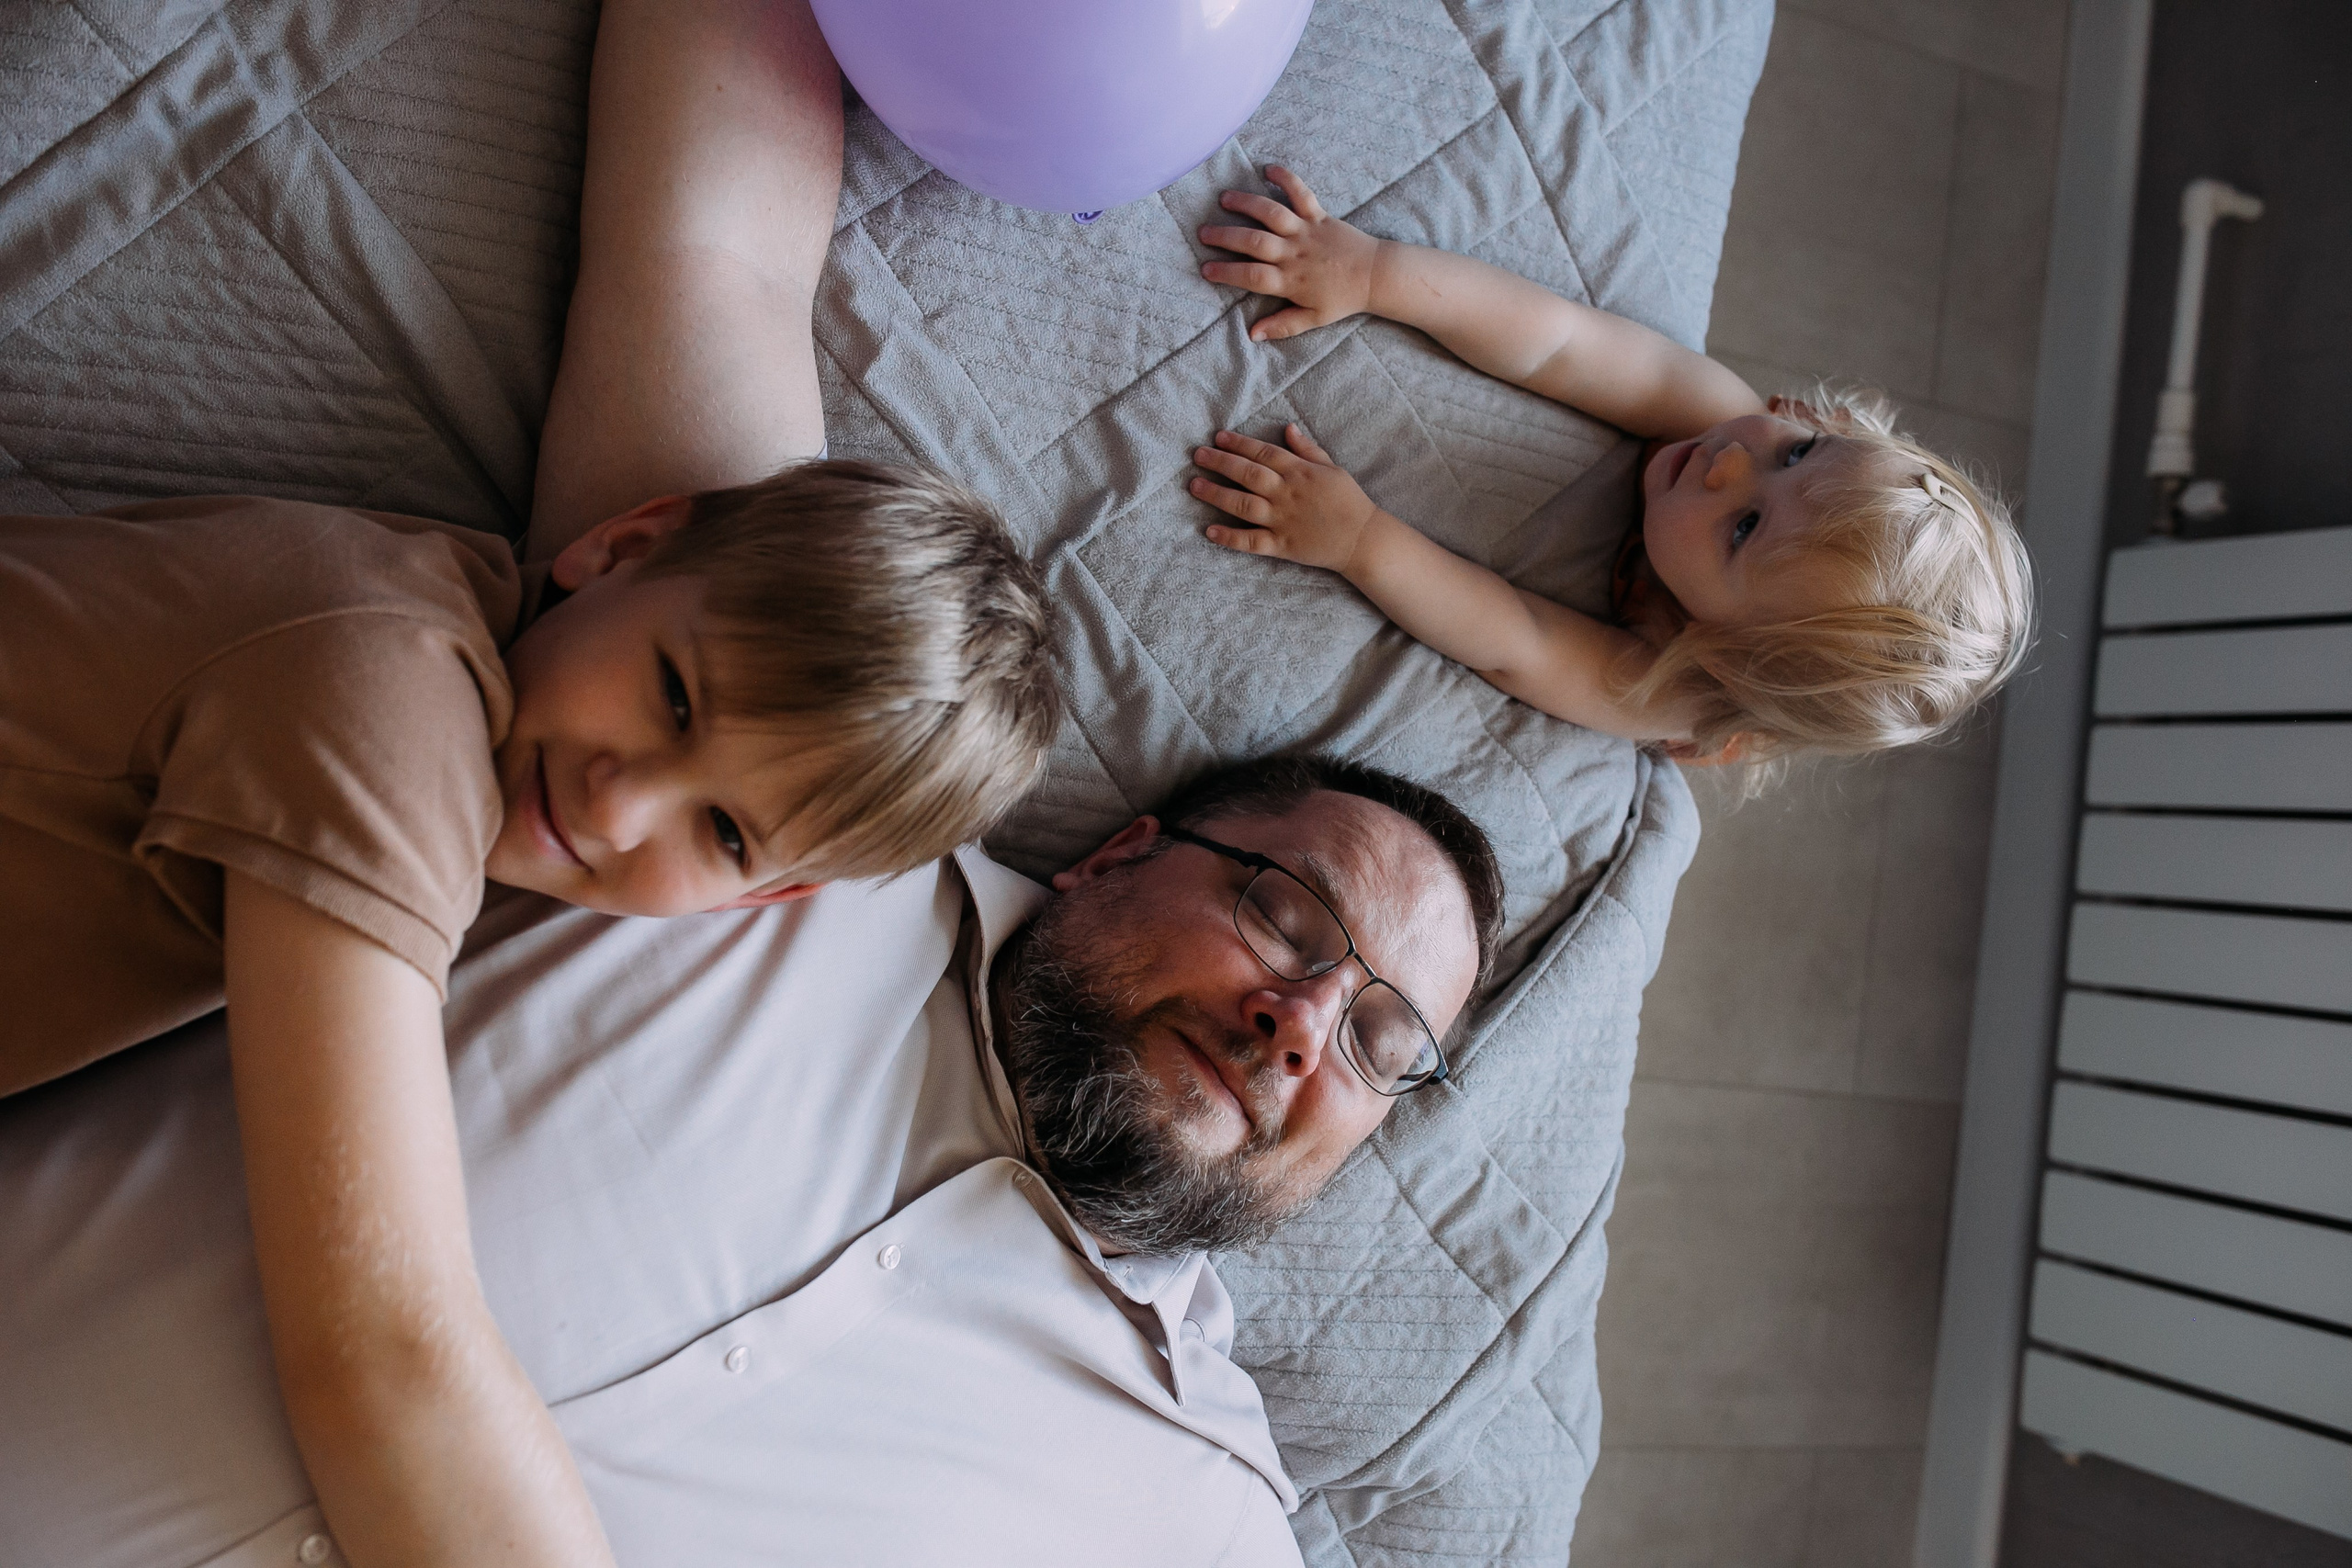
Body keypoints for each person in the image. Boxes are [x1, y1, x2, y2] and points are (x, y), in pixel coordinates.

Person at [2, 4, 1510, 1564]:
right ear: (1123, 852)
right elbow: (709, 245)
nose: (1301, 1020)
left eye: (1384, 1040)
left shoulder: (1201, 1507)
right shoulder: (786, 774)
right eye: (1282, 914)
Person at [0, 10, 1056, 1568]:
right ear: (622, 543)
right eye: (675, 696)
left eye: (720, 828)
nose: (622, 799)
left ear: (764, 902)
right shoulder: (387, 705)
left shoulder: (539, 658)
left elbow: (723, 248)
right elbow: (386, 1360)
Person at [1184, 166, 2036, 764]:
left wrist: (1360, 539)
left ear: (1725, 647)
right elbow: (1560, 343)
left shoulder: (1678, 690)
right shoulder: (1724, 414)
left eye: (1744, 527)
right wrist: (1375, 273)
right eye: (1798, 451)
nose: (1730, 462)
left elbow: (1516, 638)